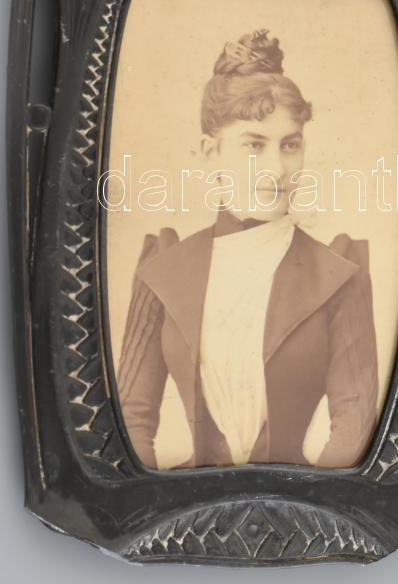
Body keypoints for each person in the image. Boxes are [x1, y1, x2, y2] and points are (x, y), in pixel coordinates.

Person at [116, 29, 378, 469]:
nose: (276, 168)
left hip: (298, 502)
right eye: (254, 145)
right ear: (211, 152)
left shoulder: (337, 274)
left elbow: (355, 425)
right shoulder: (163, 270)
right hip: (186, 503)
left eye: (289, 145)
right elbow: (130, 420)